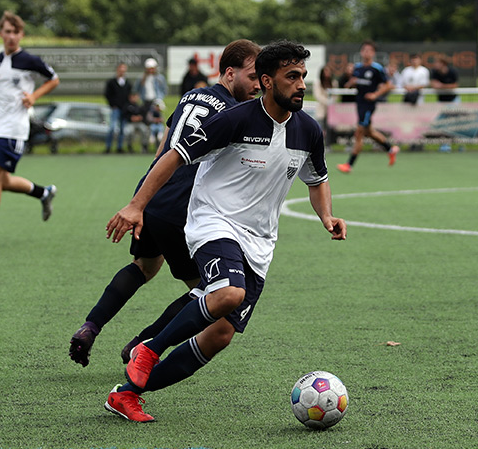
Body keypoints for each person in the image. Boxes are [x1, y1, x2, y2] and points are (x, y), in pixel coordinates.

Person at [103, 40, 346, 422]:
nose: (301, 85)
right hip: (213, 222)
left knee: (219, 336)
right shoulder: (235, 120)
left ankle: (128, 394)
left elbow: (317, 180)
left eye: (303, 76)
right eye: (292, 76)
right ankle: (149, 348)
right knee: (227, 293)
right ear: (267, 81)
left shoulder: (308, 131)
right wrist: (136, 205)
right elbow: (173, 155)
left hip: (260, 242)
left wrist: (327, 217)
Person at [69, 40, 262, 367]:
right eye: (254, 75)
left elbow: (164, 148)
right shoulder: (234, 113)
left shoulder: (190, 95)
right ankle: (142, 345)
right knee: (210, 291)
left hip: (151, 194)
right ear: (229, 73)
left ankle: (91, 325)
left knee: (144, 266)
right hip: (184, 208)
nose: (258, 84)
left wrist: (139, 201)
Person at [0, 11, 59, 247]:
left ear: (21, 35)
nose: (11, 36)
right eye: (7, 31)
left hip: (14, 128)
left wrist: (34, 96)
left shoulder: (29, 60)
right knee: (1, 181)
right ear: (1, 34)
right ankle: (43, 193)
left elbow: (54, 79)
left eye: (16, 32)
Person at [338, 40, 398, 173]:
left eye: (369, 50)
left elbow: (388, 85)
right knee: (369, 132)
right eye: (364, 50)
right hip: (359, 104)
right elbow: (354, 84)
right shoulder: (357, 68)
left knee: (359, 132)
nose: (367, 52)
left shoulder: (377, 68)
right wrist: (351, 83)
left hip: (368, 105)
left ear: (373, 53)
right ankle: (390, 149)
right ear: (361, 52)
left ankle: (349, 164)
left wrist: (375, 94)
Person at [136, 58, 168, 148]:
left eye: (152, 68)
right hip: (146, 102)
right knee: (146, 123)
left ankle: (158, 146)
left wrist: (160, 99)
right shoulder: (142, 78)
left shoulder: (159, 78)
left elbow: (164, 89)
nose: (150, 70)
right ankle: (145, 145)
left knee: (158, 122)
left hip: (156, 102)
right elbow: (137, 89)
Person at [103, 62, 132, 154]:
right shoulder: (111, 82)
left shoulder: (128, 83)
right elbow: (107, 94)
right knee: (112, 128)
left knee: (122, 129)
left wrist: (127, 106)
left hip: (124, 109)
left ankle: (119, 147)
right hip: (115, 109)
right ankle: (108, 147)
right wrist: (113, 104)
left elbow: (130, 96)